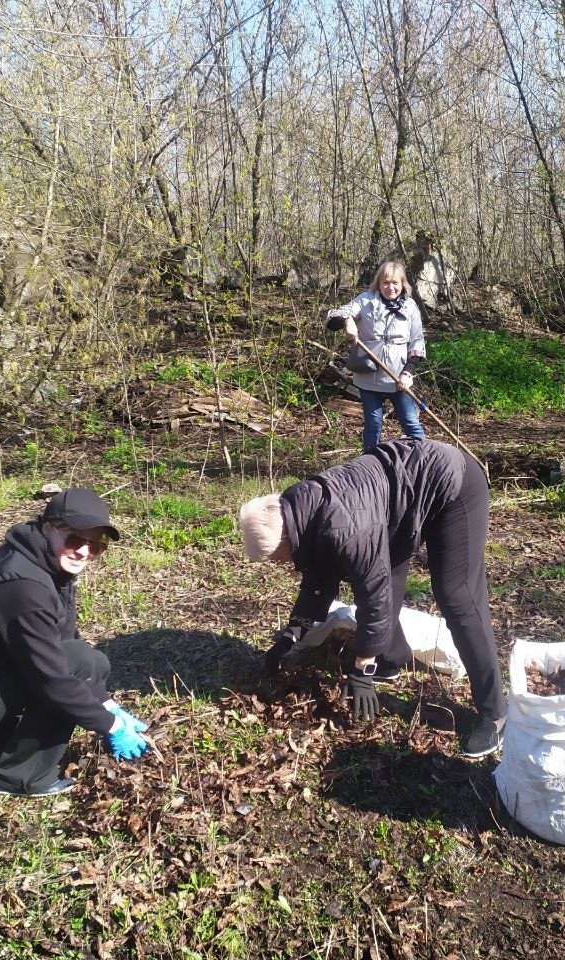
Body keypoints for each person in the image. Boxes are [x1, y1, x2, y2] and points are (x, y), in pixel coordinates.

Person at [237, 439, 506, 759]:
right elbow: (318, 581)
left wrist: (362, 667)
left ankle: (495, 713)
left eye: (273, 556)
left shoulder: (342, 529)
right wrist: (291, 634)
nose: (277, 563)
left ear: (283, 537)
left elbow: (373, 594)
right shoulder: (299, 512)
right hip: (396, 510)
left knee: (457, 597)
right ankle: (391, 659)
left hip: (453, 486)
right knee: (384, 578)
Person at [0, 488, 150, 796]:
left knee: (87, 660)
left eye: (96, 544)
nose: (84, 552)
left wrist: (107, 703)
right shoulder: (23, 584)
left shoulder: (43, 566)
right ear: (48, 527)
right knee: (74, 667)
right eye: (74, 539)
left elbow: (63, 642)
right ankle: (21, 778)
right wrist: (110, 725)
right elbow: (53, 678)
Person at [327, 261, 427, 451]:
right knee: (373, 424)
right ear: (379, 283)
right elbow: (333, 317)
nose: (391, 287)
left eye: (395, 283)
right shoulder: (365, 301)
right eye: (386, 282)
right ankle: (369, 468)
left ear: (403, 283)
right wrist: (347, 321)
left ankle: (425, 462)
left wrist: (408, 373)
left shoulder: (411, 306)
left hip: (398, 378)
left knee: (411, 424)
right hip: (368, 377)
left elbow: (417, 343)